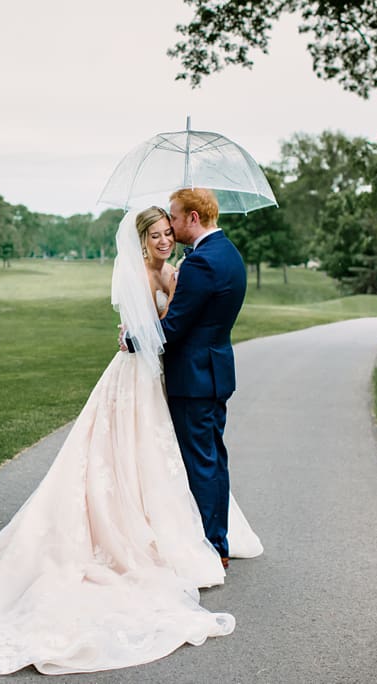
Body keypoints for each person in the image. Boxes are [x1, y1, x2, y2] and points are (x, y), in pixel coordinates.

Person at [0, 207, 261, 675]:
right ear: (141, 239)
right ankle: (133, 531)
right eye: (157, 235)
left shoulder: (174, 271)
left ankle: (172, 528)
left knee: (156, 458)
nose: (166, 240)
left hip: (157, 375)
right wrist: (134, 334)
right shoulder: (139, 274)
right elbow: (151, 329)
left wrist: (175, 285)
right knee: (126, 453)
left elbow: (179, 314)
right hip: (135, 374)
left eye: (170, 232)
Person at [161, 188, 247, 568]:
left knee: (200, 462)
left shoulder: (201, 264)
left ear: (193, 218)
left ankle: (212, 546)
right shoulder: (227, 253)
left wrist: (132, 339)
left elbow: (174, 326)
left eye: (175, 217)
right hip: (214, 371)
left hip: (193, 377)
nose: (171, 224)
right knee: (213, 459)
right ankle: (217, 540)